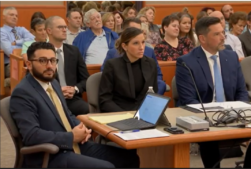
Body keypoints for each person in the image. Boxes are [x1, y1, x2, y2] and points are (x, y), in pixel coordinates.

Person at [10, 42, 140, 168]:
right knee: (106, 166)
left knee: (130, 158)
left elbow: (65, 114)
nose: (49, 66)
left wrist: (81, 128)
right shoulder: (23, 93)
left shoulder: (53, 83)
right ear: (29, 64)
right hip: (51, 155)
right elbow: (31, 135)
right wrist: (71, 137)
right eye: (43, 61)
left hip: (74, 145)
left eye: (53, 60)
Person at [175, 16, 251, 168]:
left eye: (223, 33)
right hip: (206, 117)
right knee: (209, 137)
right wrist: (214, 116)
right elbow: (189, 101)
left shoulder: (231, 56)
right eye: (217, 34)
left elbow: (241, 90)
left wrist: (241, 110)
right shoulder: (186, 62)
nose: (223, 38)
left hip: (234, 113)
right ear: (202, 38)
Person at [98, 27, 158, 113]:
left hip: (144, 114)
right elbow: (105, 100)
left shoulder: (150, 63)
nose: (141, 47)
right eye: (136, 43)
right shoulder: (112, 65)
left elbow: (154, 94)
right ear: (125, 46)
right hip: (119, 114)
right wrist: (125, 115)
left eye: (143, 42)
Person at [101, 18, 166, 95]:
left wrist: (150, 85)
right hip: (123, 94)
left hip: (146, 92)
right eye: (134, 30)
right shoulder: (113, 54)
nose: (137, 33)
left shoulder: (149, 51)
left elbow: (158, 74)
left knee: (161, 85)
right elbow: (106, 77)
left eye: (139, 30)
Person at [46, 16, 89, 116]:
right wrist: (57, 91)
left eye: (65, 27)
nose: (64, 30)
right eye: (60, 27)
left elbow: (86, 79)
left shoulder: (73, 51)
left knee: (89, 111)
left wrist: (74, 89)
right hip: (49, 98)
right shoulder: (40, 52)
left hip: (71, 98)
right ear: (49, 30)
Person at [0, 7, 34, 80]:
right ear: (4, 17)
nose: (14, 17)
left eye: (16, 16)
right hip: (10, 64)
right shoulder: (1, 32)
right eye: (11, 15)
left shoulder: (21, 29)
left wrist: (16, 42)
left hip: (27, 60)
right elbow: (10, 51)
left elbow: (33, 39)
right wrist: (25, 47)